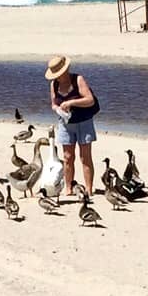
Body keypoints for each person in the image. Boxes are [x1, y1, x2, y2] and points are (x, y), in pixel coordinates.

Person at [45, 54, 98, 197]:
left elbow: (90, 100)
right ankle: (68, 188)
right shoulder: (54, 84)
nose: (58, 77)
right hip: (65, 123)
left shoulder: (78, 79)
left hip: (84, 122)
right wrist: (58, 109)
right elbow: (53, 104)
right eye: (56, 75)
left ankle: (89, 188)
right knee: (68, 157)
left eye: (59, 74)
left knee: (85, 157)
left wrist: (71, 103)